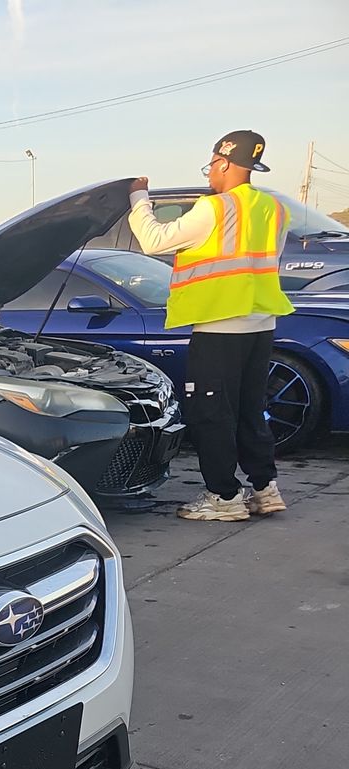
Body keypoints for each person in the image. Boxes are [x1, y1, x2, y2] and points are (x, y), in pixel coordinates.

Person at [128, 130, 293, 521]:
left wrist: (138, 197)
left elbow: (154, 240)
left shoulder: (214, 208)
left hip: (220, 325)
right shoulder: (275, 209)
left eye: (211, 166)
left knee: (211, 413)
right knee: (251, 410)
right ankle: (264, 488)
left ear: (223, 162)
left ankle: (223, 497)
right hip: (260, 323)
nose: (210, 174)